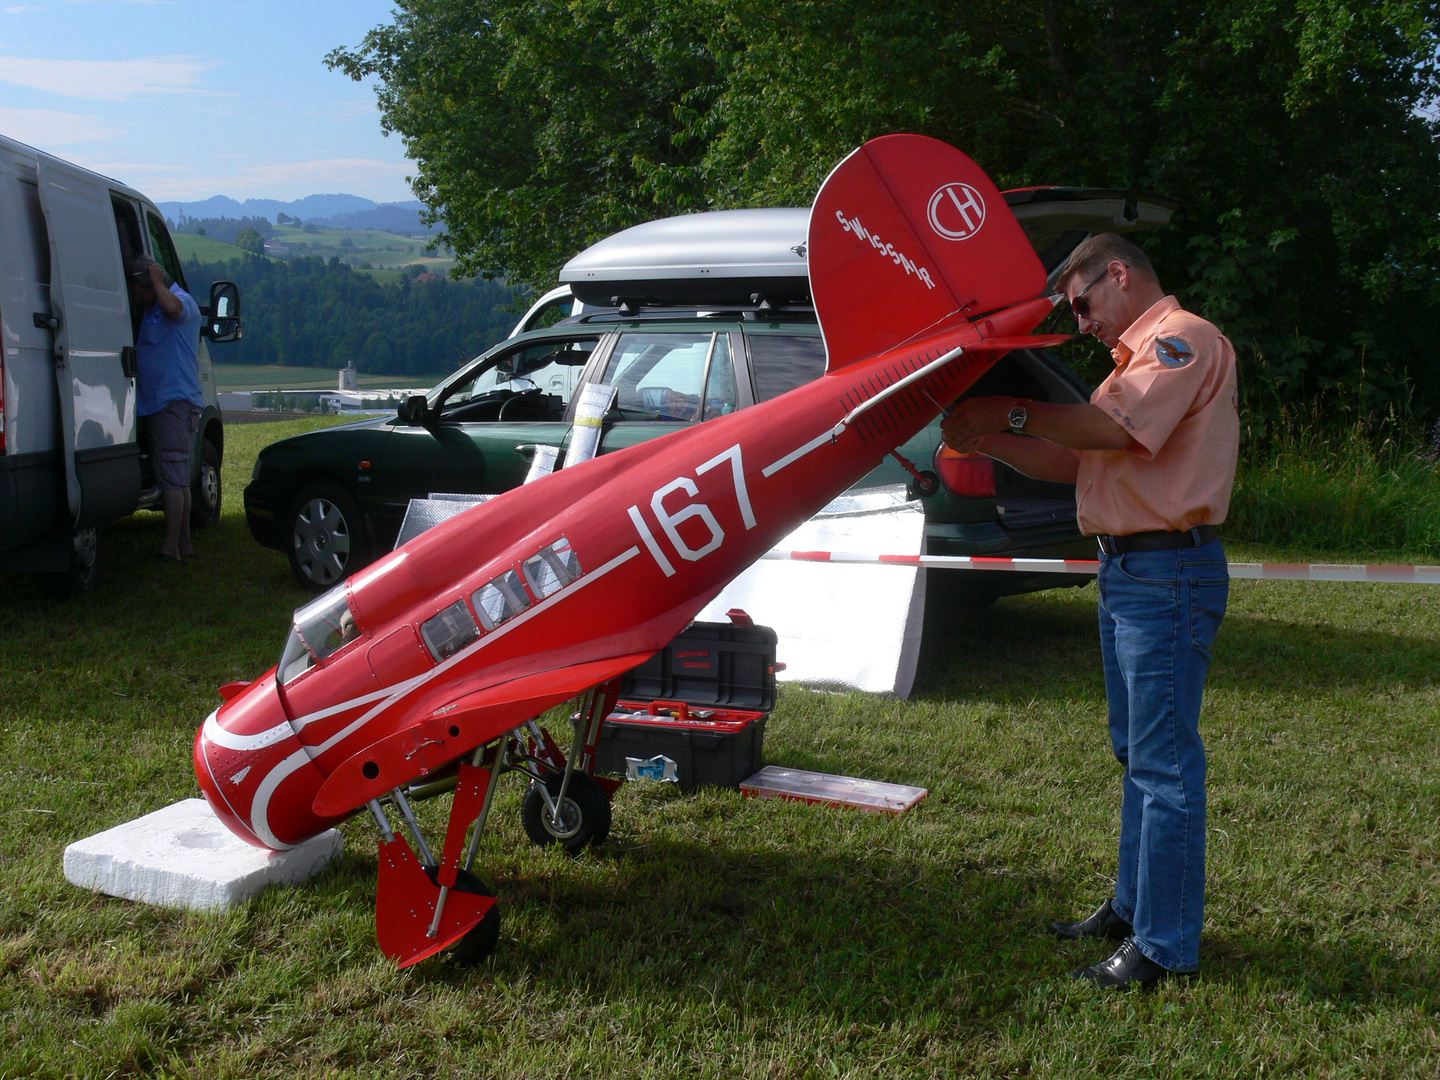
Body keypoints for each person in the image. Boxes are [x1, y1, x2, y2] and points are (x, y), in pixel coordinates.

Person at [941, 233, 1238, 989]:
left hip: (1165, 571)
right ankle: (1135, 908)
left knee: (1162, 764)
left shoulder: (1182, 340)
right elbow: (1078, 458)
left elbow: (1112, 431)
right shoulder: (1130, 368)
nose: (1081, 323)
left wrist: (1011, 410)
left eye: (1084, 304)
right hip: (1132, 570)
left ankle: (1165, 946)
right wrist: (996, 441)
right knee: (1138, 755)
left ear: (1120, 273)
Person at [128, 256, 204, 563]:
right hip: (165, 403)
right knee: (178, 479)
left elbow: (173, 309)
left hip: (172, 403)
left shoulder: (180, 302)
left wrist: (157, 281)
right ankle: (183, 544)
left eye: (139, 290)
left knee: (173, 480)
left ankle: (170, 548)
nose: (137, 297)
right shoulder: (153, 308)